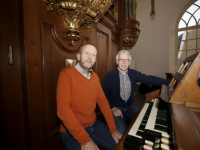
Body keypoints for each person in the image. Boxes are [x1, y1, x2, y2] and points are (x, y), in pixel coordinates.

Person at [57, 44, 122, 150]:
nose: (90, 57)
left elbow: (103, 103)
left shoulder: (95, 77)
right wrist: (85, 140)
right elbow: (62, 110)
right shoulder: (66, 74)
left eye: (93, 55)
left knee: (120, 145)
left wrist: (113, 129)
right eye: (86, 53)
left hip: (94, 125)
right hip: (70, 131)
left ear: (95, 60)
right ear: (78, 57)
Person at [102, 50, 171, 134]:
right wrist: (113, 108)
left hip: (130, 107)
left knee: (145, 122)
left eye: (126, 60)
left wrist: (169, 82)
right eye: (121, 59)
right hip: (116, 108)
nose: (124, 62)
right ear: (117, 62)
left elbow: (149, 78)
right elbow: (104, 95)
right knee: (121, 131)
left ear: (129, 62)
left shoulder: (133, 74)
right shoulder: (109, 76)